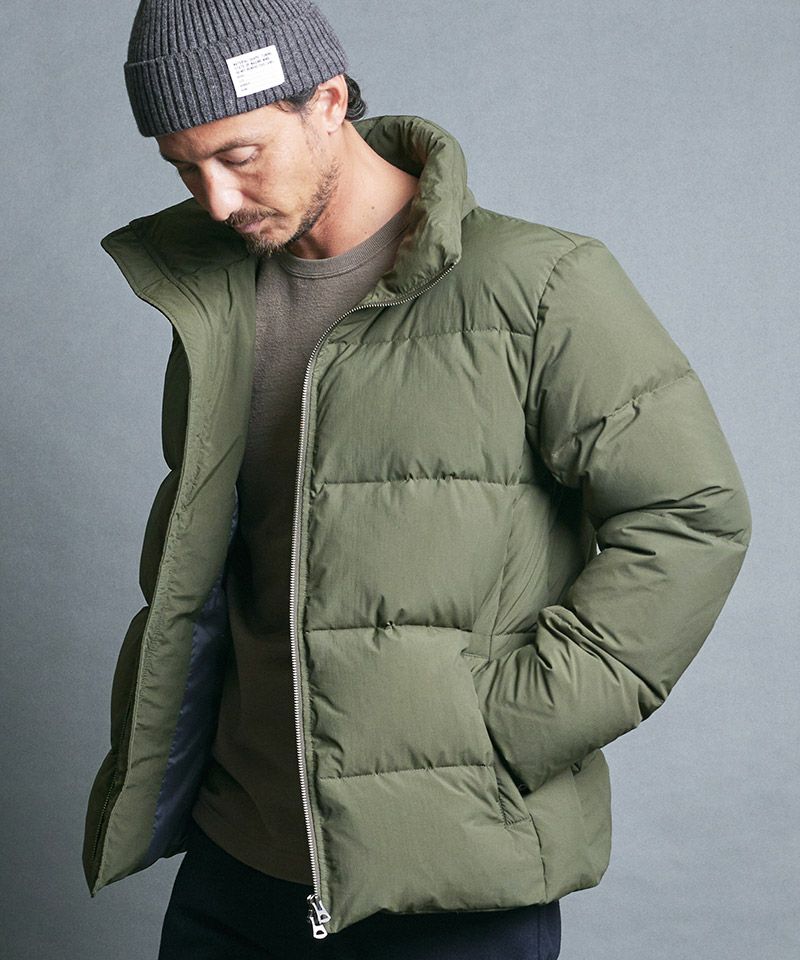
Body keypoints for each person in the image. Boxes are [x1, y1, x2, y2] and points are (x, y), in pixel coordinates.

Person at [82, 1, 752, 958]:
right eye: (185, 169)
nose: (218, 201)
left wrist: (506, 728)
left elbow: (692, 515)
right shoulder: (216, 303)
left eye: (239, 155)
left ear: (327, 100)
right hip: (234, 866)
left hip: (446, 879)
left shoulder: (539, 285)